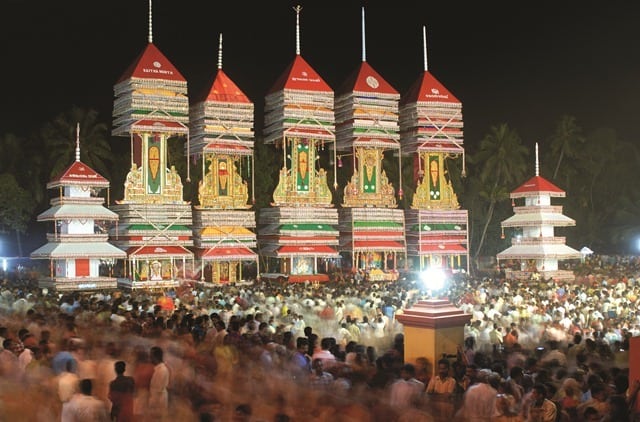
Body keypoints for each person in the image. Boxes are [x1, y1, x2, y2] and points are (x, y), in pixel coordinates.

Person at [148, 346, 170, 420]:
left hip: (158, 402)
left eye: (150, 356)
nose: (149, 358)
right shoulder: (158, 369)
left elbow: (157, 390)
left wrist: (151, 404)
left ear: (155, 357)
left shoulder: (161, 370)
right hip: (158, 400)